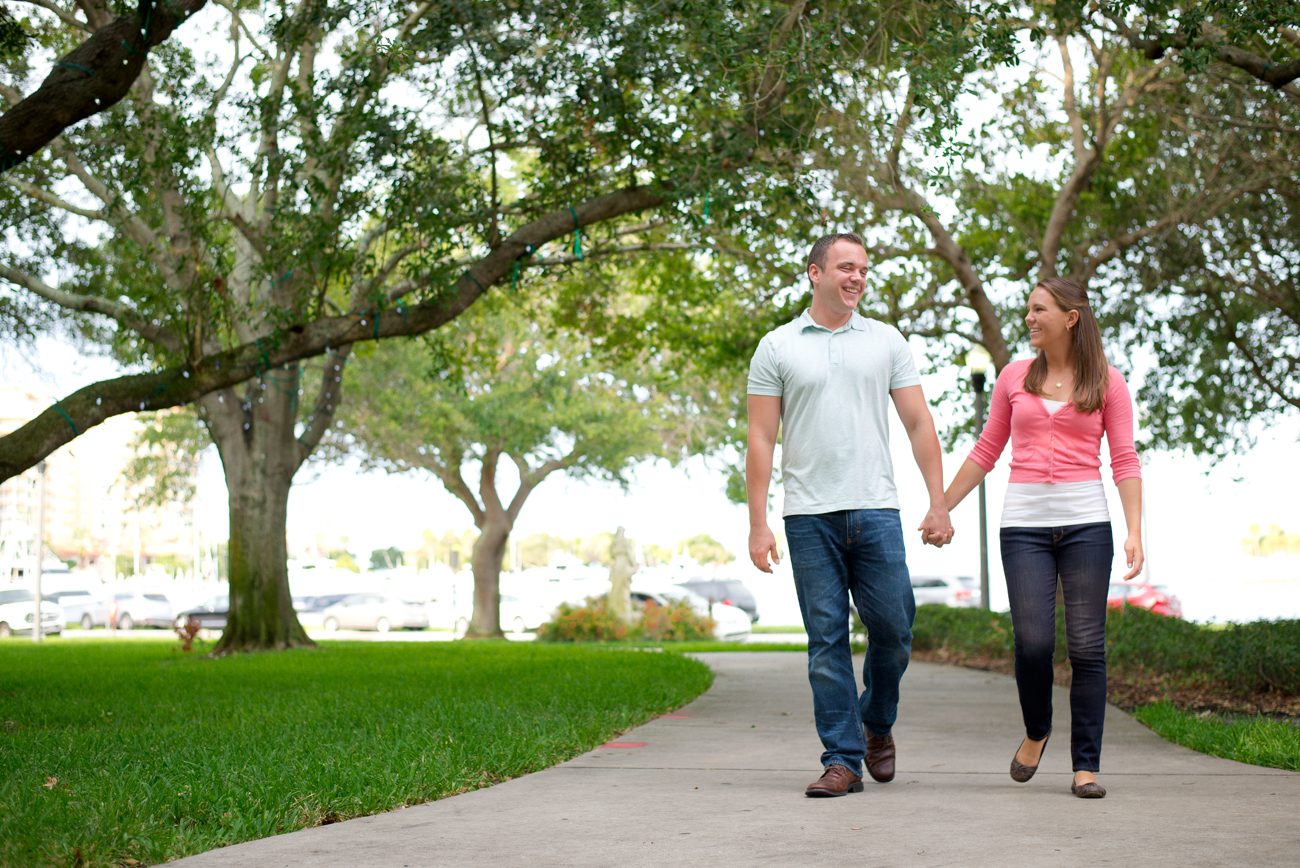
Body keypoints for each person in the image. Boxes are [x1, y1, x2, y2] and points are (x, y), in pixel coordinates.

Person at [746, 232, 952, 798]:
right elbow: (762, 438)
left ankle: (876, 721)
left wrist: (938, 501)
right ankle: (842, 759)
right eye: (845, 267)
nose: (857, 277)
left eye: (863, 268)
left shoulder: (886, 341)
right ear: (814, 273)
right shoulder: (777, 347)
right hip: (808, 516)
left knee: (895, 630)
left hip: (877, 509)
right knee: (826, 641)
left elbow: (918, 423)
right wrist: (757, 521)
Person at [941, 276, 1143, 800]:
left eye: (1039, 309)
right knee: (1032, 645)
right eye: (1028, 310)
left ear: (1070, 317)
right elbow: (987, 450)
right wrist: (942, 503)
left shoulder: (1108, 383)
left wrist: (1134, 530)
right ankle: (1037, 729)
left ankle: (1085, 767)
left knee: (1087, 647)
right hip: (1024, 525)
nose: (1029, 318)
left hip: (1087, 525)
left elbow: (1124, 459)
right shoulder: (1013, 377)